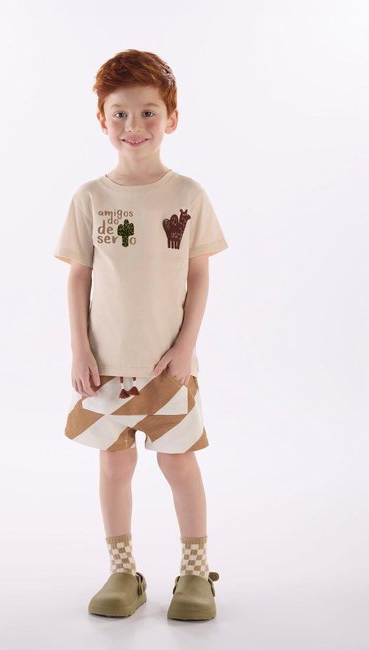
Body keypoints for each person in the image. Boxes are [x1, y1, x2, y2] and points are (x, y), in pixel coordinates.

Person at [54, 49, 228, 620]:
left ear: (171, 118)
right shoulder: (90, 198)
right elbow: (79, 277)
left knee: (179, 464)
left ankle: (195, 574)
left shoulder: (188, 195)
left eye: (149, 112)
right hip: (106, 367)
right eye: (121, 114)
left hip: (168, 368)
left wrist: (185, 347)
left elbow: (199, 275)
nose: (134, 125)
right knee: (114, 466)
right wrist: (80, 349)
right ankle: (122, 571)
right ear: (102, 120)